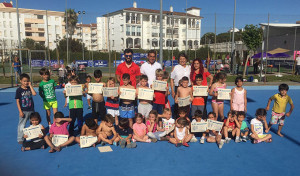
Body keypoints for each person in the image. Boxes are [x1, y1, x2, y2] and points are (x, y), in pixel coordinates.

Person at [15, 73, 37, 144]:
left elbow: (34, 94)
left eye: (27, 81)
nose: (26, 82)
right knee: (22, 124)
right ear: (20, 81)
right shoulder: (19, 90)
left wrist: (30, 85)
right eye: (24, 81)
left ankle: (34, 136)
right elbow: (17, 101)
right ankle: (20, 138)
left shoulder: (29, 88)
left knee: (33, 123)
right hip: (24, 110)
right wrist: (20, 111)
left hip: (31, 109)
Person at [171, 53, 191, 118]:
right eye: (180, 59)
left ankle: (186, 120)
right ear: (178, 60)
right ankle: (177, 120)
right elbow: (171, 79)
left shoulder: (189, 67)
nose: (182, 60)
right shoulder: (175, 67)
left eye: (184, 59)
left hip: (188, 88)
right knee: (178, 105)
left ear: (186, 59)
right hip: (178, 88)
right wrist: (173, 90)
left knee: (187, 106)